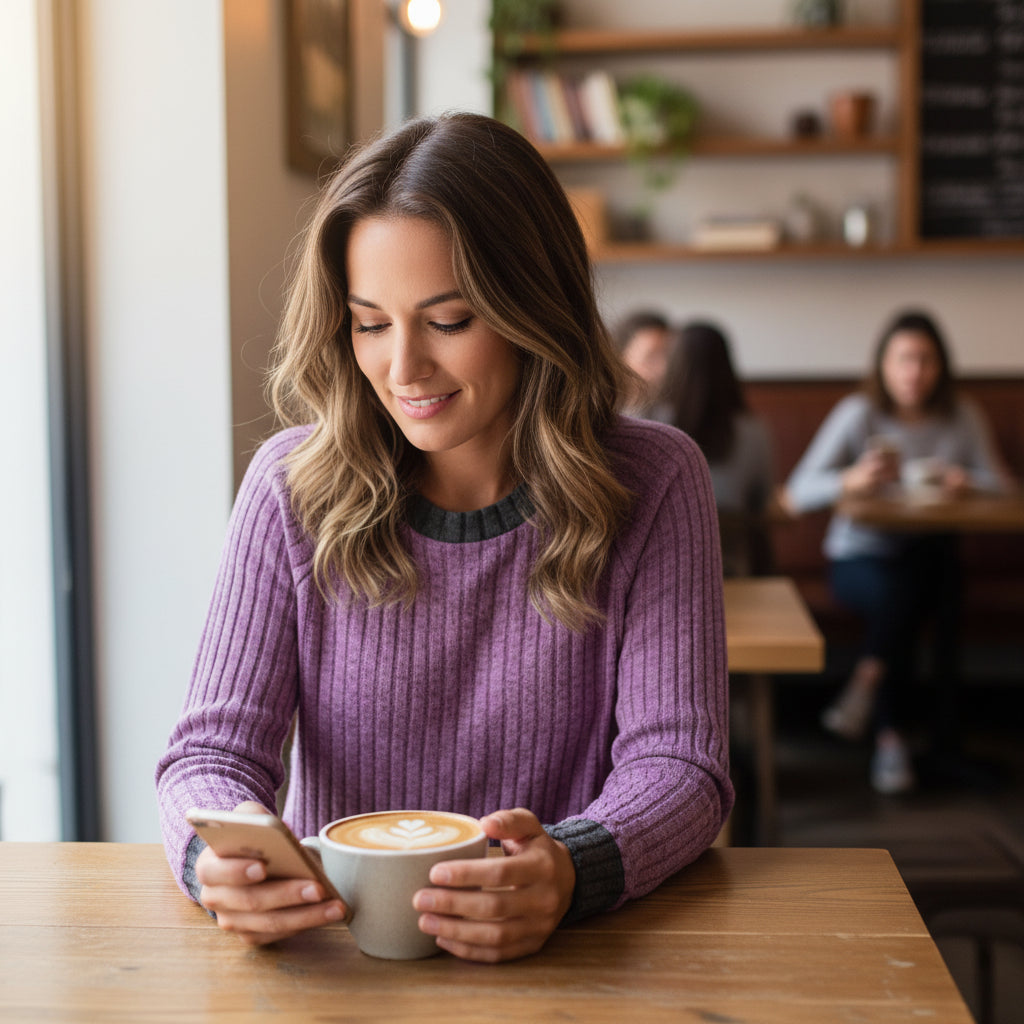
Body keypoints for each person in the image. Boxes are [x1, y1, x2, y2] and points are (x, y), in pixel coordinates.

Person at [155, 112, 733, 963]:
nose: (403, 368)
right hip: (347, 970)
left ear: (534, 306)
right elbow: (208, 753)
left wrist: (571, 869)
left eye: (449, 318)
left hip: (562, 966)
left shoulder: (654, 480)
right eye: (370, 322)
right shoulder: (290, 487)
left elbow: (681, 763)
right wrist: (217, 858)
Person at [784, 309, 1013, 795]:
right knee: (913, 581)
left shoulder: (961, 415)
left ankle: (875, 701)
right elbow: (796, 490)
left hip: (929, 558)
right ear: (883, 365)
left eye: (926, 360)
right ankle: (894, 736)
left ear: (941, 366)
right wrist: (852, 478)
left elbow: (1005, 486)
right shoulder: (858, 413)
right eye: (904, 359)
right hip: (857, 560)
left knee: (935, 567)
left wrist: (967, 482)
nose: (915, 371)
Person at [664, 321, 775, 576]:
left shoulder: (649, 420)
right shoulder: (753, 429)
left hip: (666, 563)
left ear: (674, 364)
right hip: (731, 564)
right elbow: (763, 497)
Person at [613, 310, 674, 421]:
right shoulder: (603, 413)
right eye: (651, 357)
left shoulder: (674, 412)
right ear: (620, 359)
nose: (664, 368)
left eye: (669, 356)